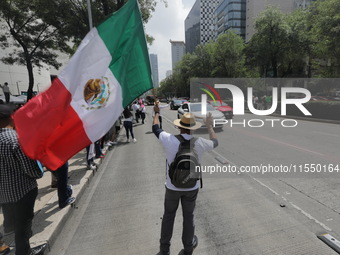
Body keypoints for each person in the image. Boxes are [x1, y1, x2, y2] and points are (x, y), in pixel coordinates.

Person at [152, 104, 218, 255]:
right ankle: (188, 249)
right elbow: (215, 142)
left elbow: (156, 128)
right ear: (193, 128)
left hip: (172, 187)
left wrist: (156, 113)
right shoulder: (200, 143)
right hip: (191, 187)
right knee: (189, 217)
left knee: (169, 216)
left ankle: (164, 250)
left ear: (179, 127)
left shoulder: (169, 139)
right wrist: (209, 127)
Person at [0, 104, 48, 255]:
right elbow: (31, 169)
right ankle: (24, 252)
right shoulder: (16, 139)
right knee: (23, 227)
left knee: (15, 225)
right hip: (22, 191)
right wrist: (39, 173)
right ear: (11, 118)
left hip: (3, 194)